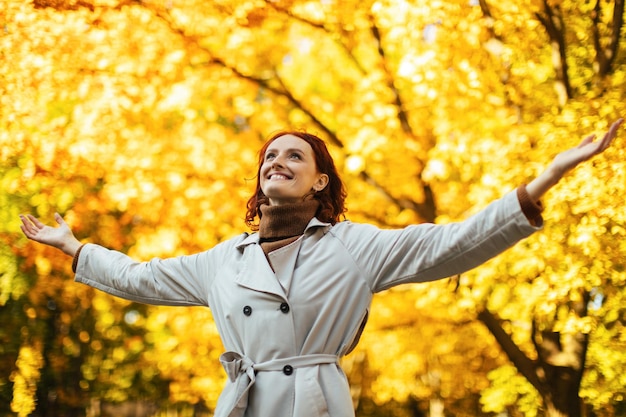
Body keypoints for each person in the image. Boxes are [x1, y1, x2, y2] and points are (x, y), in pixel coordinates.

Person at [20, 119, 623, 417]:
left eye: (294, 155)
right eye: (269, 155)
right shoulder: (221, 262)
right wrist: (76, 248)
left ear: (320, 180)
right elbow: (140, 278)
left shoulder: (352, 247)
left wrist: (544, 179)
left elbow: (452, 243)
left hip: (315, 402)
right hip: (244, 402)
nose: (277, 161)